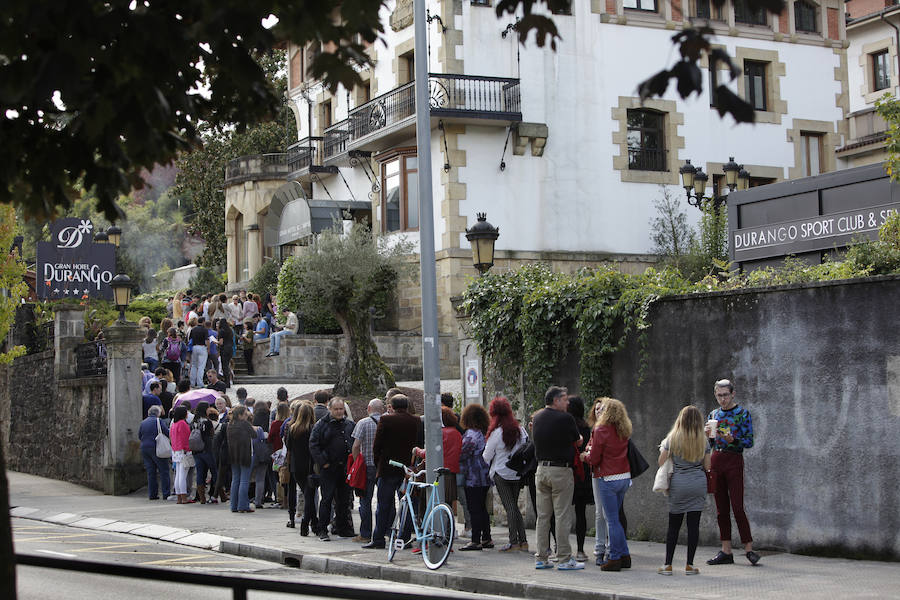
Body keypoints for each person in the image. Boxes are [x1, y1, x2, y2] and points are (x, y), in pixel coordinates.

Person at [706, 379, 760, 566]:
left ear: (733, 394)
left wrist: (732, 439)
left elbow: (749, 441)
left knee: (737, 506)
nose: (723, 399)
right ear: (715, 395)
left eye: (726, 395)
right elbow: (711, 443)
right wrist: (709, 437)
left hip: (734, 459)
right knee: (721, 508)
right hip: (716, 459)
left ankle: (749, 549)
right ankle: (725, 550)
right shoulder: (713, 414)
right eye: (719, 395)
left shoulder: (742, 414)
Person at [532, 385, 583, 570]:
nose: (568, 402)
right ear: (556, 401)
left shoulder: (537, 417)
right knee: (562, 515)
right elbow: (577, 440)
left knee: (543, 516)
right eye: (564, 399)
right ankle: (564, 558)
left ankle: (541, 557)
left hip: (541, 470)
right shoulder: (566, 418)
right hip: (560, 471)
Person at [657, 405, 711, 576]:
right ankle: (690, 565)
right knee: (693, 526)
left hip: (679, 485)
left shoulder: (672, 438)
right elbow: (708, 466)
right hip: (698, 484)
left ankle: (668, 565)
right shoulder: (704, 440)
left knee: (673, 526)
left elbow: (661, 461)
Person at [363, 394, 419, 549]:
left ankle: (379, 538)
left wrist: (378, 463)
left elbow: (377, 445)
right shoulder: (415, 421)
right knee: (407, 505)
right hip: (407, 469)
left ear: (392, 406)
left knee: (383, 505)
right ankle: (403, 538)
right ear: (407, 406)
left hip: (387, 468)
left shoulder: (386, 420)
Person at [582, 397, 632, 572]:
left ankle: (615, 557)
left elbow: (594, 458)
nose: (599, 411)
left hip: (607, 477)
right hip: (624, 476)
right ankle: (625, 555)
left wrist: (584, 457)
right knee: (616, 518)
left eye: (602, 409)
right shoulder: (623, 428)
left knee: (611, 520)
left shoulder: (600, 429)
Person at [483, 396, 529, 553]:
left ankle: (513, 542)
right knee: (514, 507)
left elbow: (486, 456)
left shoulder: (497, 433)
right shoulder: (520, 430)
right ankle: (523, 541)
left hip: (500, 473)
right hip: (516, 473)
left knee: (510, 507)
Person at [309, 397, 355, 541]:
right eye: (336, 409)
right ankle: (322, 529)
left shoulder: (349, 424)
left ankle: (342, 527)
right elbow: (313, 445)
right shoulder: (321, 424)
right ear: (330, 409)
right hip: (329, 468)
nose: (339, 412)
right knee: (327, 499)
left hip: (345, 468)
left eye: (341, 409)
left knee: (343, 500)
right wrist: (324, 462)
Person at [459, 403, 492, 551]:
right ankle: (486, 538)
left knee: (474, 509)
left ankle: (475, 540)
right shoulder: (484, 433)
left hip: (473, 476)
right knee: (482, 508)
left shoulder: (471, 435)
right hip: (484, 475)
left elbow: (463, 454)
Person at [351, 398, 384, 543]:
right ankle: (386, 530)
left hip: (367, 466)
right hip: (383, 467)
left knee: (365, 500)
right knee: (385, 500)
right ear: (381, 409)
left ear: (369, 408)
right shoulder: (387, 422)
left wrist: (357, 461)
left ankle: (365, 534)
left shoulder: (363, 423)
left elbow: (356, 445)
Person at [568, 396, 594, 563]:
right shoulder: (587, 428)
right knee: (580, 512)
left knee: (560, 512)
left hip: (567, 470)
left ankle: (559, 548)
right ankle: (580, 549)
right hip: (583, 473)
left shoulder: (566, 427)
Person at [285, 400, 317, 534]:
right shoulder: (313, 429)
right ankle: (307, 523)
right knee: (310, 495)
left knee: (307, 494)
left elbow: (289, 447)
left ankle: (314, 522)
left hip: (296, 466)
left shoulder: (293, 429)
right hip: (310, 466)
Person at [227, 405, 259, 513]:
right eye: (245, 414)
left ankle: (234, 505)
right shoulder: (244, 424)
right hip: (245, 454)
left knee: (235, 480)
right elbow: (254, 435)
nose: (246, 416)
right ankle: (243, 505)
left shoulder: (230, 425)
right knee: (244, 480)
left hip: (233, 454)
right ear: (240, 415)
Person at [138, 405, 170, 500]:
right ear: (158, 413)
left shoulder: (143, 422)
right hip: (156, 447)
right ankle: (166, 493)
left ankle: (152, 494)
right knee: (164, 470)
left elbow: (140, 435)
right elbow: (166, 432)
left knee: (151, 472)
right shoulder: (158, 421)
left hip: (145, 448)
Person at [192, 401, 218, 504]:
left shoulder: (194, 422)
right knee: (214, 472)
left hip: (196, 451)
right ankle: (216, 494)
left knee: (200, 473)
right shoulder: (207, 422)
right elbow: (211, 434)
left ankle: (202, 497)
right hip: (207, 449)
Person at [170, 405, 193, 504]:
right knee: (183, 475)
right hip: (183, 451)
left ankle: (179, 497)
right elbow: (185, 438)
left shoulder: (174, 424)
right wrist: (189, 449)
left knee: (178, 475)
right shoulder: (183, 423)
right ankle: (184, 497)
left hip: (176, 450)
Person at [251, 406, 273, 508]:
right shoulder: (265, 430)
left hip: (252, 455)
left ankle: (242, 499)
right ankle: (258, 501)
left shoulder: (252, 429)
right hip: (263, 456)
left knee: (245, 478)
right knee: (260, 479)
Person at [270, 400, 289, 508]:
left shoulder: (275, 424)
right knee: (286, 474)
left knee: (278, 475)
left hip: (277, 452)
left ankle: (280, 498)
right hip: (286, 452)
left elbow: (270, 437)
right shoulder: (289, 422)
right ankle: (286, 498)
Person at [188, 317, 210, 388]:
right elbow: (207, 340)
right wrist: (208, 348)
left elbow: (190, 339)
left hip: (194, 347)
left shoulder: (193, 329)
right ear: (203, 322)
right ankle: (199, 383)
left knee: (194, 365)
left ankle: (192, 382)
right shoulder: (205, 330)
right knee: (201, 366)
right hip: (202, 347)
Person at [218, 318, 235, 388]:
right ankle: (228, 381)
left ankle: (227, 382)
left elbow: (221, 342)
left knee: (224, 366)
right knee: (227, 365)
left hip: (224, 349)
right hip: (230, 349)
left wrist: (215, 342)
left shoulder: (221, 331)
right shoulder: (230, 330)